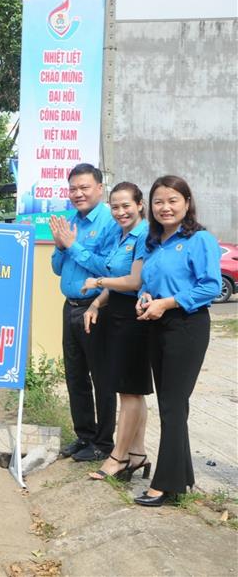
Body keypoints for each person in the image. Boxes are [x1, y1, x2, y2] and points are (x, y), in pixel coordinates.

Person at [133, 175, 220, 506]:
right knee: (172, 406)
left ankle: (164, 486)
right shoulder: (154, 243)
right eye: (158, 201)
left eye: (172, 200)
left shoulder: (200, 240)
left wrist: (166, 303)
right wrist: (145, 297)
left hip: (187, 325)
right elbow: (148, 283)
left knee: (171, 405)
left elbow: (210, 286)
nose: (165, 207)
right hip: (157, 324)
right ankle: (182, 477)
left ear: (187, 202)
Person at [81, 182, 153, 481]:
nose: (120, 211)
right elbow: (116, 283)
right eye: (115, 206)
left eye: (126, 205)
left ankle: (118, 458)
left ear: (139, 205)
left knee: (130, 392)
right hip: (118, 315)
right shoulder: (122, 235)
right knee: (132, 390)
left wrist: (98, 283)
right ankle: (137, 453)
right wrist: (96, 304)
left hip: (134, 320)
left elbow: (134, 281)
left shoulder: (144, 235)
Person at [49, 163, 119, 462]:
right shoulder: (69, 220)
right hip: (71, 308)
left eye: (84, 187)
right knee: (75, 376)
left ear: (99, 188)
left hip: (97, 308)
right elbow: (56, 268)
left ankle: (104, 443)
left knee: (102, 378)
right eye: (73, 188)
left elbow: (109, 270)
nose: (78, 194)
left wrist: (73, 246)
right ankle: (84, 436)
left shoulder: (110, 223)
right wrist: (62, 248)